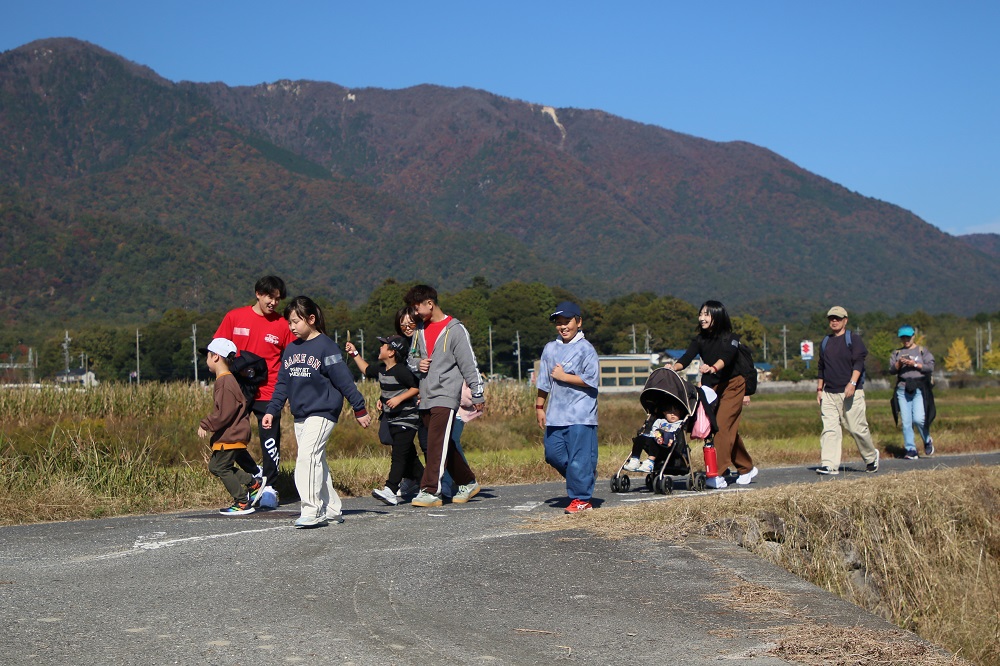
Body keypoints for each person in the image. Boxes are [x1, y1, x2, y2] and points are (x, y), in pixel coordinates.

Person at [261, 296, 372, 528]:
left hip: (323, 411)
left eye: (295, 322)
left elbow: (344, 380)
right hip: (301, 414)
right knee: (316, 460)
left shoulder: (326, 346)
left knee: (306, 458)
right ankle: (332, 509)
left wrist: (359, 407)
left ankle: (312, 510)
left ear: (311, 319)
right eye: (289, 323)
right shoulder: (290, 350)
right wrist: (272, 410)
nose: (291, 327)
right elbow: (282, 384)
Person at [214, 275, 295, 506]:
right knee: (229, 437)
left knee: (270, 440)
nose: (273, 302)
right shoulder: (234, 317)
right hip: (239, 390)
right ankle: (254, 474)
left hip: (270, 391)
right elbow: (217, 350)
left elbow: (291, 359)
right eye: (270, 296)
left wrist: (288, 391)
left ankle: (270, 486)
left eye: (278, 299)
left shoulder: (282, 324)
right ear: (258, 293)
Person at [403, 284, 485, 508]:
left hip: (447, 395)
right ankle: (467, 482)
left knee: (436, 442)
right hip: (426, 395)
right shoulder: (419, 330)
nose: (415, 313)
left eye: (416, 307)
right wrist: (417, 364)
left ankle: (430, 490)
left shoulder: (455, 330)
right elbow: (411, 359)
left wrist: (478, 394)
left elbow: (469, 364)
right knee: (442, 444)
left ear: (430, 303)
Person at [672, 301, 757, 489]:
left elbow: (726, 358)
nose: (702, 318)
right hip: (713, 387)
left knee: (722, 426)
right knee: (723, 427)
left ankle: (716, 473)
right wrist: (673, 367)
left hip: (734, 385)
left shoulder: (732, 338)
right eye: (700, 314)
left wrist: (712, 368)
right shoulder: (699, 339)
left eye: (706, 314)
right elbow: (686, 358)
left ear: (717, 317)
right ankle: (746, 467)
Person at [536, 301, 600, 514]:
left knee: (578, 459)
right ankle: (583, 477)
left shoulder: (586, 349)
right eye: (559, 323)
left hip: (581, 414)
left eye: (567, 322)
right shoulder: (550, 348)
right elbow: (544, 381)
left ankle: (581, 498)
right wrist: (539, 406)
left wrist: (565, 377)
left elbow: (592, 380)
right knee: (552, 454)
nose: (563, 327)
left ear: (578, 322)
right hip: (556, 414)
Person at [344, 334, 424, 506]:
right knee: (407, 454)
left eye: (384, 345)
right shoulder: (382, 370)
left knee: (398, 455)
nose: (380, 348)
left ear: (392, 352)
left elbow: (415, 388)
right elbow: (366, 369)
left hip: (407, 419)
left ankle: (390, 490)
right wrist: (354, 353)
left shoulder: (401, 371)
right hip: (392, 419)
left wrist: (399, 399)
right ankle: (424, 481)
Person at [197, 337, 265, 515]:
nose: (207, 360)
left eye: (208, 356)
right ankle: (253, 483)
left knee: (220, 467)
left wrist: (206, 424)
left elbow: (224, 412)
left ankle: (242, 501)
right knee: (215, 466)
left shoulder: (225, 382)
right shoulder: (226, 380)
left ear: (216, 357)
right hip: (232, 433)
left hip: (232, 433)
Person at [816, 306, 880, 475]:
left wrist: (852, 383)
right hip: (829, 392)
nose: (834, 321)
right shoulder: (825, 342)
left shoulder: (854, 339)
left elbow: (859, 362)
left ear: (845, 320)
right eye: (831, 318)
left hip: (851, 391)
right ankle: (829, 464)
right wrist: (819, 389)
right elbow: (821, 367)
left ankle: (871, 456)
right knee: (830, 429)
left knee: (856, 428)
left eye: (837, 318)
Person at [889, 325, 936, 459]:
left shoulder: (922, 351)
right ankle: (910, 449)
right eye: (903, 337)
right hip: (902, 388)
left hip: (919, 388)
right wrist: (899, 364)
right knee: (906, 421)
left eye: (908, 337)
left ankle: (927, 439)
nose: (906, 340)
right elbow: (891, 370)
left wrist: (913, 364)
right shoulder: (897, 353)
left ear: (913, 336)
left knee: (919, 418)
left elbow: (930, 367)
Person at [624, 402, 686, 473]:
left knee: (656, 439)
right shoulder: (659, 421)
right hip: (655, 438)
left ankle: (650, 462)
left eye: (675, 411)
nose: (672, 414)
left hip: (668, 445)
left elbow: (676, 435)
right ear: (664, 413)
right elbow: (653, 431)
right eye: (669, 411)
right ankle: (634, 460)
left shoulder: (680, 423)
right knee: (640, 438)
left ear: (680, 413)